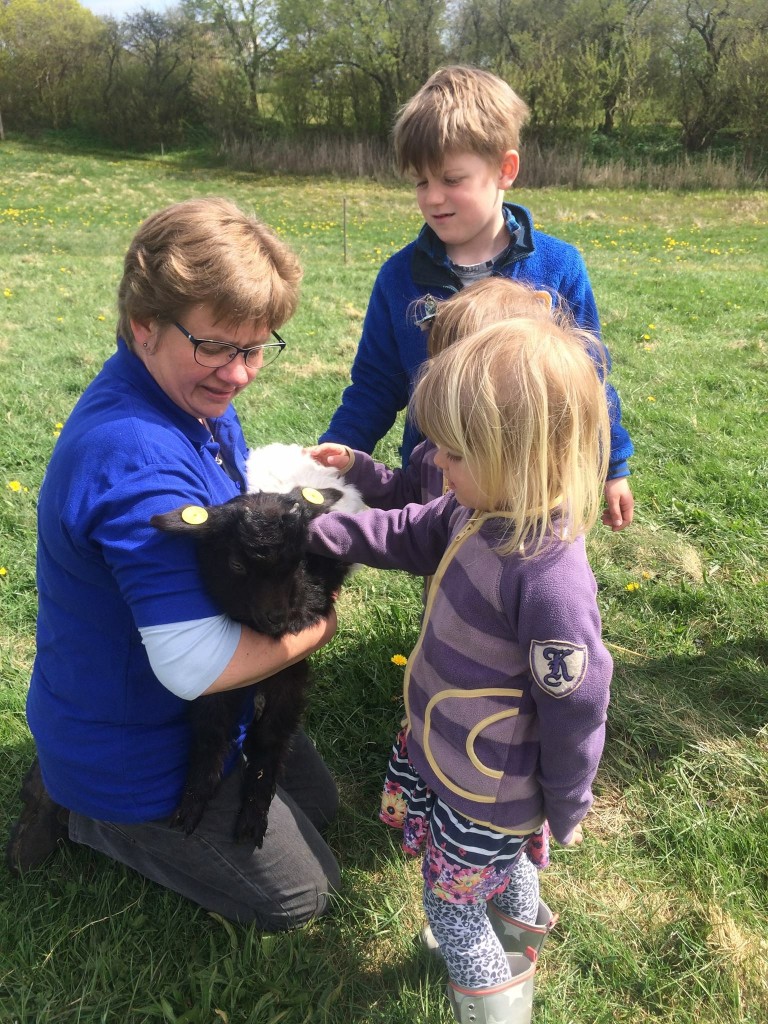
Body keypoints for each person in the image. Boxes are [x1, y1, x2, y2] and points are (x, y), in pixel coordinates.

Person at [5, 197, 340, 929]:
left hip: (187, 706)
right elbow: (197, 668)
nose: (241, 374)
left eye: (257, 347)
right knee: (304, 898)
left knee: (321, 808)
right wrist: (320, 626)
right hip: (141, 736)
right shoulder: (135, 460)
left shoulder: (188, 397)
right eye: (218, 345)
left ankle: (79, 778)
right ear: (144, 324)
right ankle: (90, 811)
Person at [305, 313, 613, 1022]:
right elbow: (398, 530)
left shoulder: (548, 578)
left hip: (489, 789)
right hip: (450, 752)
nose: (434, 465)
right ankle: (518, 928)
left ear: (521, 452)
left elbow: (578, 703)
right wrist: (308, 524)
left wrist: (567, 800)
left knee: (450, 907)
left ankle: (494, 1003)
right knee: (503, 870)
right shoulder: (474, 510)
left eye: (452, 453)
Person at [319, 64, 635, 531]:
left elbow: (588, 378)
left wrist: (613, 465)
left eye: (451, 179)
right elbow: (374, 386)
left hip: (538, 487)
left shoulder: (558, 267)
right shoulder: (398, 278)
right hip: (441, 487)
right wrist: (332, 456)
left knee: (534, 591)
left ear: (505, 169)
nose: (433, 197)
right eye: (421, 182)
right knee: (450, 593)